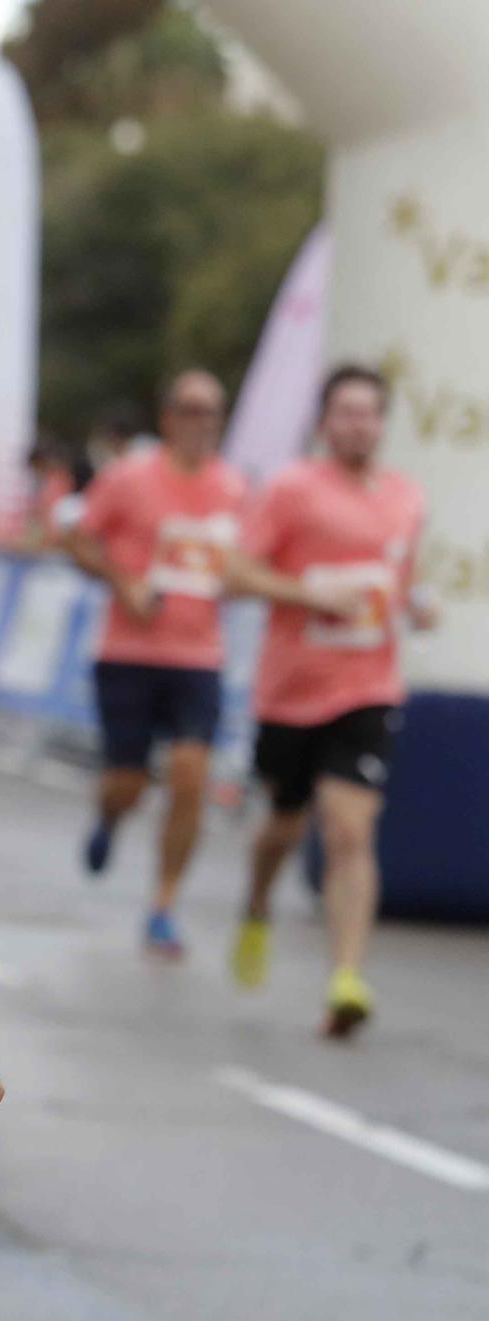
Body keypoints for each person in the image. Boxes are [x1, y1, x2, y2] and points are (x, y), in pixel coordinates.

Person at [224, 364, 433, 1037]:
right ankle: (257, 904)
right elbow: (234, 572)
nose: (358, 423)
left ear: (383, 421)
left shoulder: (405, 497)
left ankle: (347, 976)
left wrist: (415, 604)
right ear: (324, 421)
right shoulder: (292, 490)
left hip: (369, 687)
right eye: (346, 411)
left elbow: (399, 580)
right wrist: (311, 595)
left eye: (370, 412)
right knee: (283, 828)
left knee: (349, 828)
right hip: (291, 694)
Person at [63, 371, 246, 958]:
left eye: (213, 411)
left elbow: (248, 562)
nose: (203, 422)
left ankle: (164, 905)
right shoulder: (128, 478)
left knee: (193, 775)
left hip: (200, 658)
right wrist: (125, 583)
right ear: (168, 418)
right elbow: (79, 539)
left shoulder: (236, 488)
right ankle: (111, 817)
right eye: (191, 410)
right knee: (129, 783)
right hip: (128, 653)